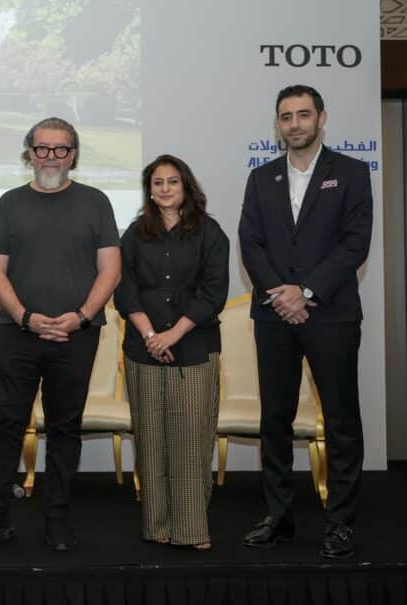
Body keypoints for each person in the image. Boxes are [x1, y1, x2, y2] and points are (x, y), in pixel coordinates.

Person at [0, 117, 121, 551]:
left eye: (60, 149)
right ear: (29, 154)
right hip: (18, 333)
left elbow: (111, 268)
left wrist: (82, 315)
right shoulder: (9, 203)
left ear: (73, 155)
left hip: (78, 334)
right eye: (42, 149)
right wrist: (24, 317)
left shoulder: (96, 202)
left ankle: (56, 518)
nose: (50, 156)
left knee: (64, 429)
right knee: (5, 426)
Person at [238, 84, 372, 559]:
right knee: (275, 418)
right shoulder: (262, 178)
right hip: (275, 315)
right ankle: (279, 516)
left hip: (330, 314)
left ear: (321, 118)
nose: (294, 124)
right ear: (277, 124)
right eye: (285, 116)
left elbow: (355, 245)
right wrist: (281, 294)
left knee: (340, 421)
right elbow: (250, 242)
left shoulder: (352, 173)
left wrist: (306, 291)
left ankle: (340, 523)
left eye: (303, 115)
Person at [114, 154, 228, 550]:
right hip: (143, 349)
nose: (164, 188)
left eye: (172, 182)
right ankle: (157, 526)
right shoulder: (134, 233)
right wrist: (150, 335)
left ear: (186, 187)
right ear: (149, 189)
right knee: (150, 439)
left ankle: (192, 530)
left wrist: (172, 335)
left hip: (193, 348)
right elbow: (123, 288)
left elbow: (213, 293)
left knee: (190, 440)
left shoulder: (210, 233)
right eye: (157, 182)